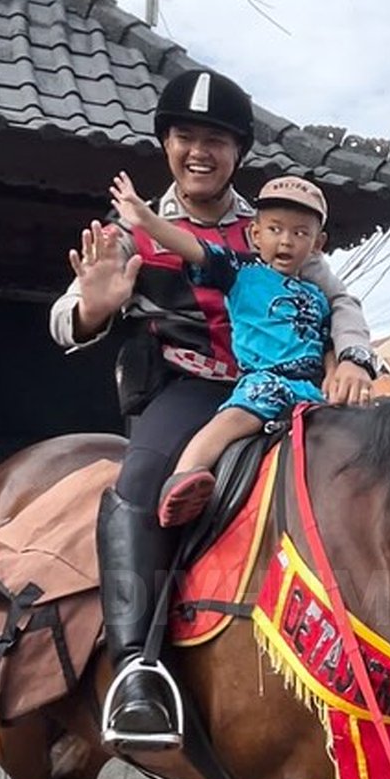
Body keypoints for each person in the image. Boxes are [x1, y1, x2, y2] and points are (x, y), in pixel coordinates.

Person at [50, 68, 379, 752]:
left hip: (289, 383)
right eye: (184, 136)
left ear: (238, 151)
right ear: (165, 143)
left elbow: (340, 300)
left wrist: (353, 357)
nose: (199, 151)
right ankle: (137, 671)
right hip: (190, 390)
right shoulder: (131, 226)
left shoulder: (274, 228)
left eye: (216, 140)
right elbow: (63, 318)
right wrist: (92, 308)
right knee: (139, 484)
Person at [109, 169, 331, 527]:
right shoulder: (241, 272)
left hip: (310, 392)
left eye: (300, 233)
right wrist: (147, 220)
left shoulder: (318, 297)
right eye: (275, 229)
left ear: (318, 244)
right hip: (266, 381)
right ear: (255, 234)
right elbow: (194, 249)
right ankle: (185, 475)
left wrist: (339, 372)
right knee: (235, 419)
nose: (287, 241)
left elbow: (327, 340)